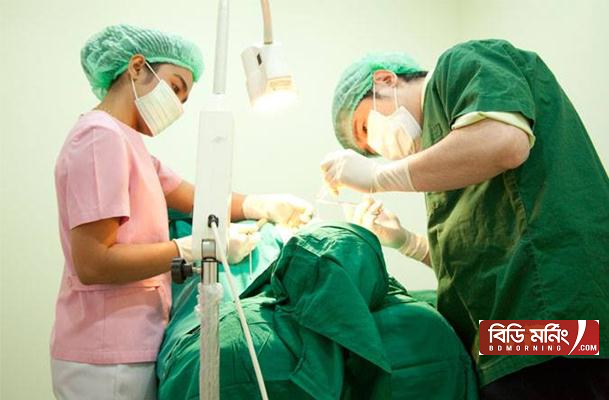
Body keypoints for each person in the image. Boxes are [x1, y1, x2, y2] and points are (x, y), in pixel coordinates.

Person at [321, 40, 609, 398]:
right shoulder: (443, 159)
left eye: (365, 128)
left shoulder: (461, 63)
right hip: (505, 339)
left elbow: (505, 141)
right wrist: (407, 242)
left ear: (384, 80)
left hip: (554, 318)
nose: (377, 148)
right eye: (369, 153)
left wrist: (378, 177)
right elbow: (480, 261)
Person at [51, 24, 313, 399]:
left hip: (133, 346)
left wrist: (262, 204)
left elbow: (203, 198)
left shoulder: (130, 145)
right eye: (175, 88)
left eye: (184, 99)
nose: (177, 106)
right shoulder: (98, 138)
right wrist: (196, 248)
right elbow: (93, 263)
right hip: (105, 356)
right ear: (137, 68)